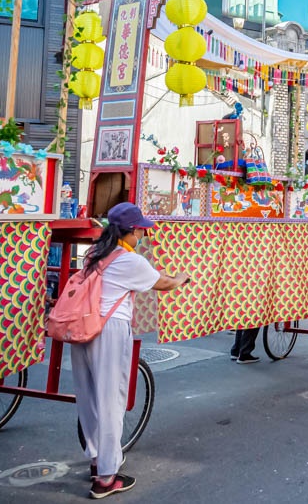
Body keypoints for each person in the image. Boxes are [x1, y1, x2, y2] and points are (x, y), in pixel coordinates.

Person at [72, 202, 190, 498]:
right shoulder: (128, 259)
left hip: (82, 326)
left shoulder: (95, 253)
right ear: (131, 230)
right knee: (111, 400)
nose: (141, 235)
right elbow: (161, 283)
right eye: (140, 230)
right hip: (109, 329)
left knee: (90, 398)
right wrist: (180, 279)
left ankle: (98, 459)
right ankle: (107, 478)